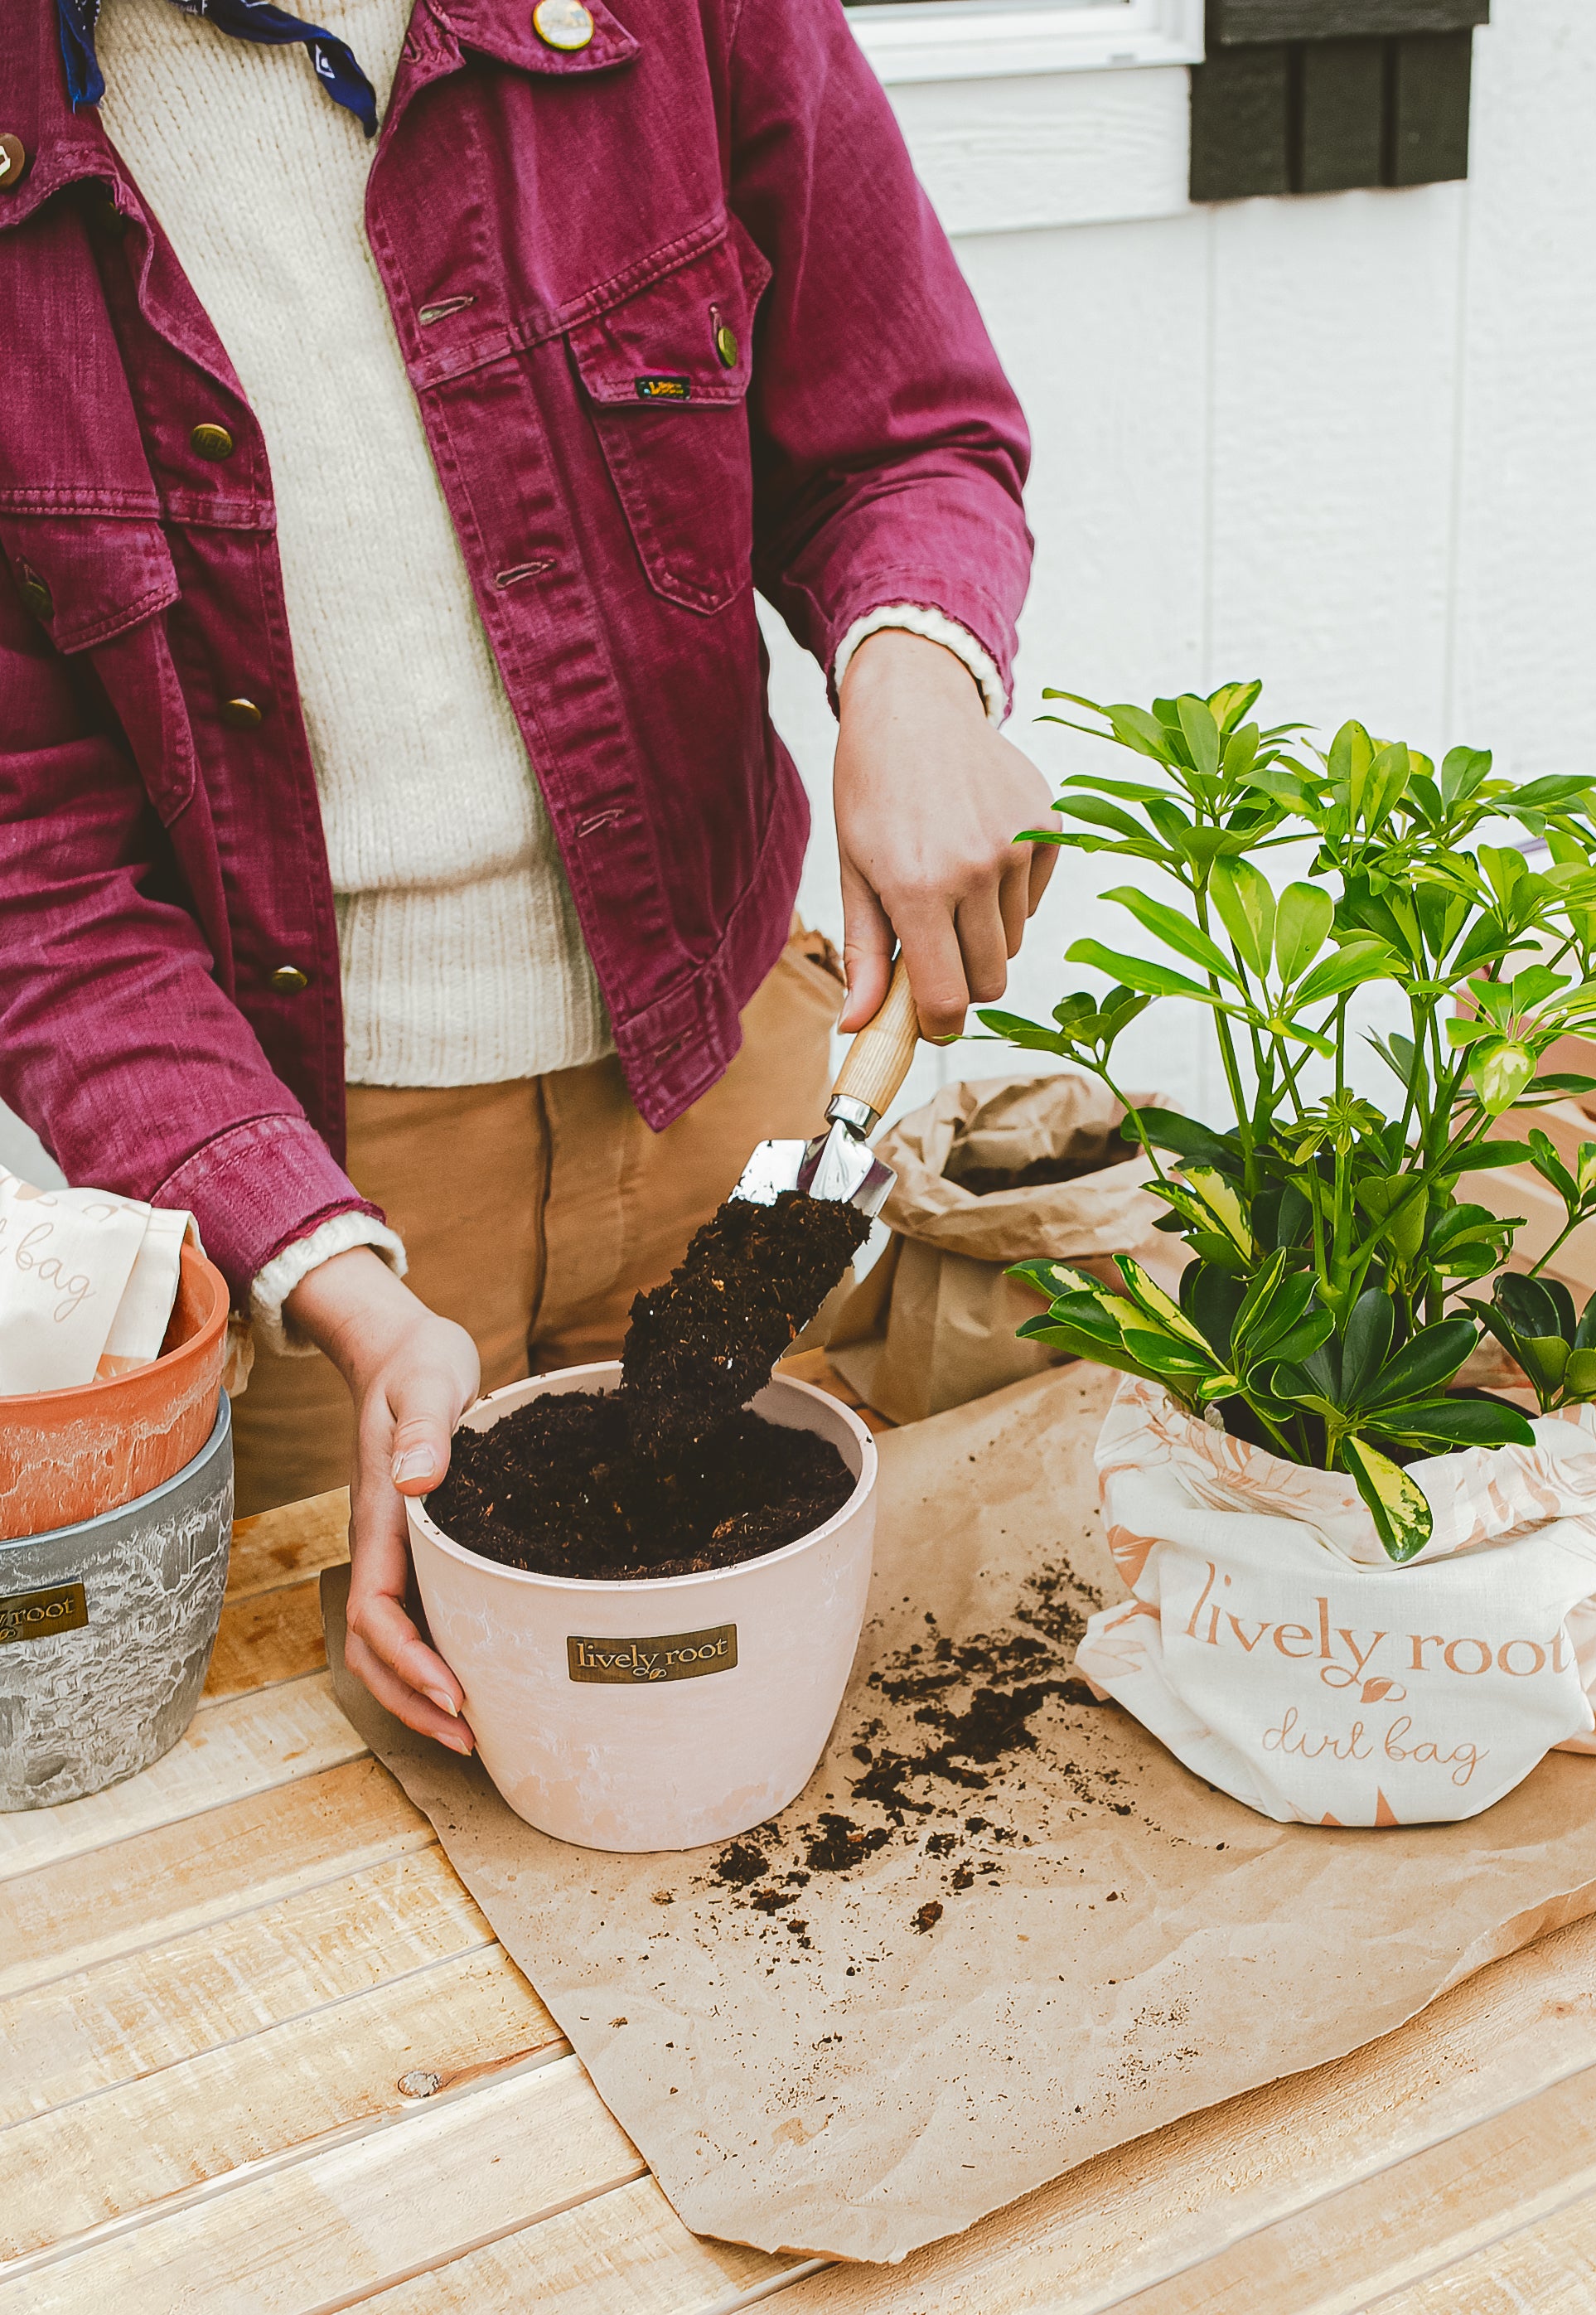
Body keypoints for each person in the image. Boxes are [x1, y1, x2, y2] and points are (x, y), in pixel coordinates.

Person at [0, 0, 1055, 1751]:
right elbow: (33, 880)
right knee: (386, 1777)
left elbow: (897, 434)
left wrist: (916, 671)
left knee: (791, 1698)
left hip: (731, 1079)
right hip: (316, 1204)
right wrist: (331, 1277)